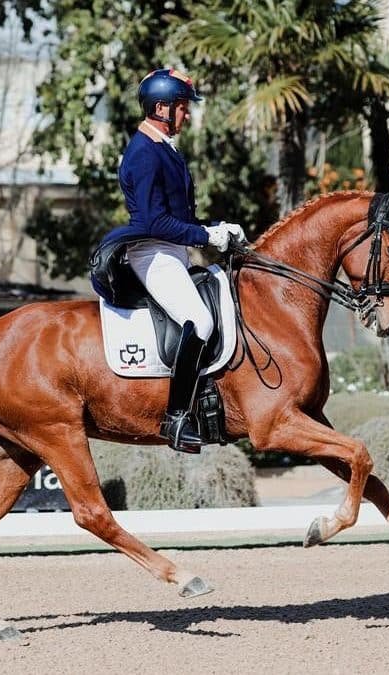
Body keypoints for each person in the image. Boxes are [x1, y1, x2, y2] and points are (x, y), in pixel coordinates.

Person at [91, 68, 245, 453]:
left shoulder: (164, 147)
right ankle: (176, 417)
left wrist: (216, 227)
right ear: (161, 108)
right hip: (153, 252)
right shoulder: (143, 153)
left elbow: (179, 215)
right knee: (200, 321)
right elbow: (153, 221)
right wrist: (205, 237)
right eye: (182, 107)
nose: (187, 114)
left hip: (172, 249)